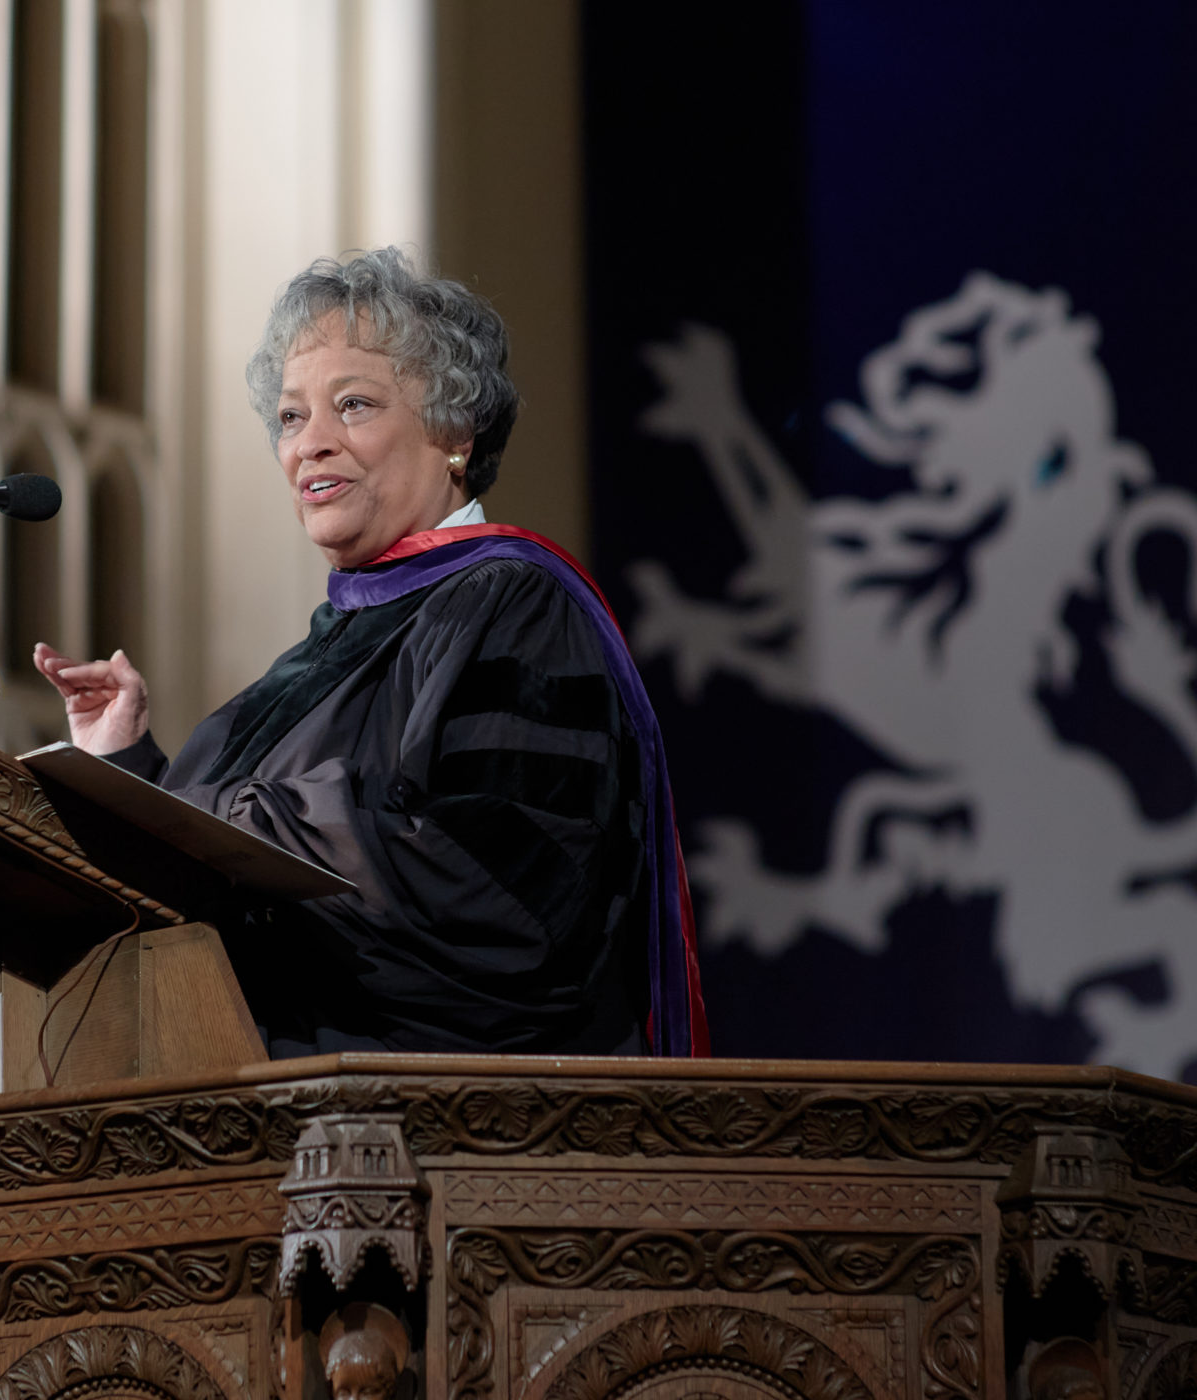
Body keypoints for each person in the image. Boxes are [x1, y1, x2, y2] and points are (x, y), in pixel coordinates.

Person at [34, 248, 705, 1057]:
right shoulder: (332, 645)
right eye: (290, 416)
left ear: (453, 430)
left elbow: (506, 898)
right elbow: (202, 870)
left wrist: (247, 820)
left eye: (352, 405)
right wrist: (125, 765)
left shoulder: (514, 604)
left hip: (450, 1136)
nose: (309, 443)